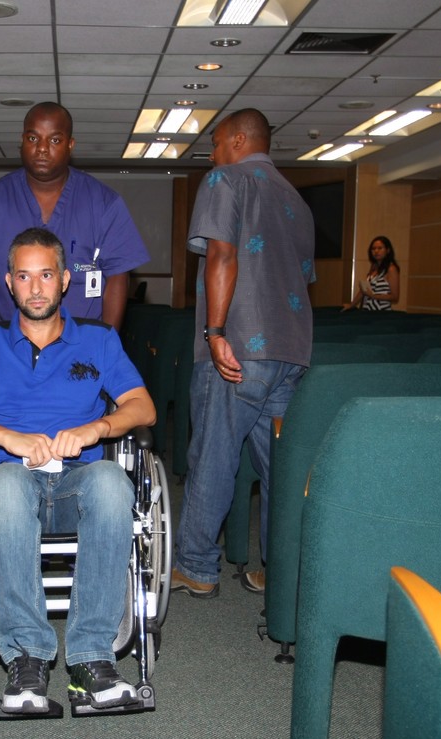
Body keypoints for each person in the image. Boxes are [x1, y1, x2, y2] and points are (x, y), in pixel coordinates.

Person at [0, 227, 156, 713]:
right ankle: (27, 659)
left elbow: (143, 407)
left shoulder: (98, 341)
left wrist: (98, 428)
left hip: (78, 484)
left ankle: (92, 660)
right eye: (24, 276)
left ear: (65, 281)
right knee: (8, 486)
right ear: (9, 283)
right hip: (11, 480)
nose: (35, 288)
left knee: (115, 483)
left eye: (46, 275)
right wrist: (4, 436)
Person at [171, 108, 315, 599]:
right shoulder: (298, 200)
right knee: (281, 468)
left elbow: (223, 255)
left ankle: (196, 565)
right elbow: (301, 281)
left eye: (215, 143)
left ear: (236, 140)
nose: (211, 154)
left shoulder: (224, 180)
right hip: (291, 350)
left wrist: (214, 332)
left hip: (238, 346)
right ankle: (281, 572)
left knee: (212, 451)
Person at [0, 102, 150, 340]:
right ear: (22, 141)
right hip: (2, 346)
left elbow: (118, 277)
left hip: (80, 347)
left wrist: (107, 345)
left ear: (70, 145)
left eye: (54, 140)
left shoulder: (104, 203)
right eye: (33, 138)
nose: (42, 149)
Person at [341, 235, 400, 311]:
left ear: (388, 250)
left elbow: (395, 297)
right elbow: (364, 291)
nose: (376, 251)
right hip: (367, 310)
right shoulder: (374, 267)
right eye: (373, 249)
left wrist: (373, 296)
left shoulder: (391, 269)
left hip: (381, 312)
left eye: (380, 248)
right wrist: (351, 305)